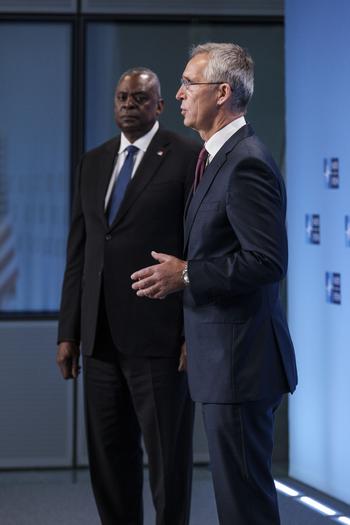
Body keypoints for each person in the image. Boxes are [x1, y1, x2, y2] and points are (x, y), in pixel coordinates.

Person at [131, 44, 298, 525]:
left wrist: (184, 274)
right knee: (236, 503)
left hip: (241, 365)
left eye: (189, 83)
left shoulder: (247, 162)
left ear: (223, 93)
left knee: (245, 507)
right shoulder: (213, 159)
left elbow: (266, 261)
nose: (178, 94)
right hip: (223, 361)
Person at [56, 67, 199, 525]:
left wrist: (192, 333)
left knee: (167, 463)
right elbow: (80, 252)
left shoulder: (186, 156)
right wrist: (69, 332)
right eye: (121, 97)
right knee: (109, 461)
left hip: (161, 339)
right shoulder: (93, 162)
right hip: (99, 340)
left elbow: (198, 248)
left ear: (159, 105)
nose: (127, 105)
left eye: (139, 98)